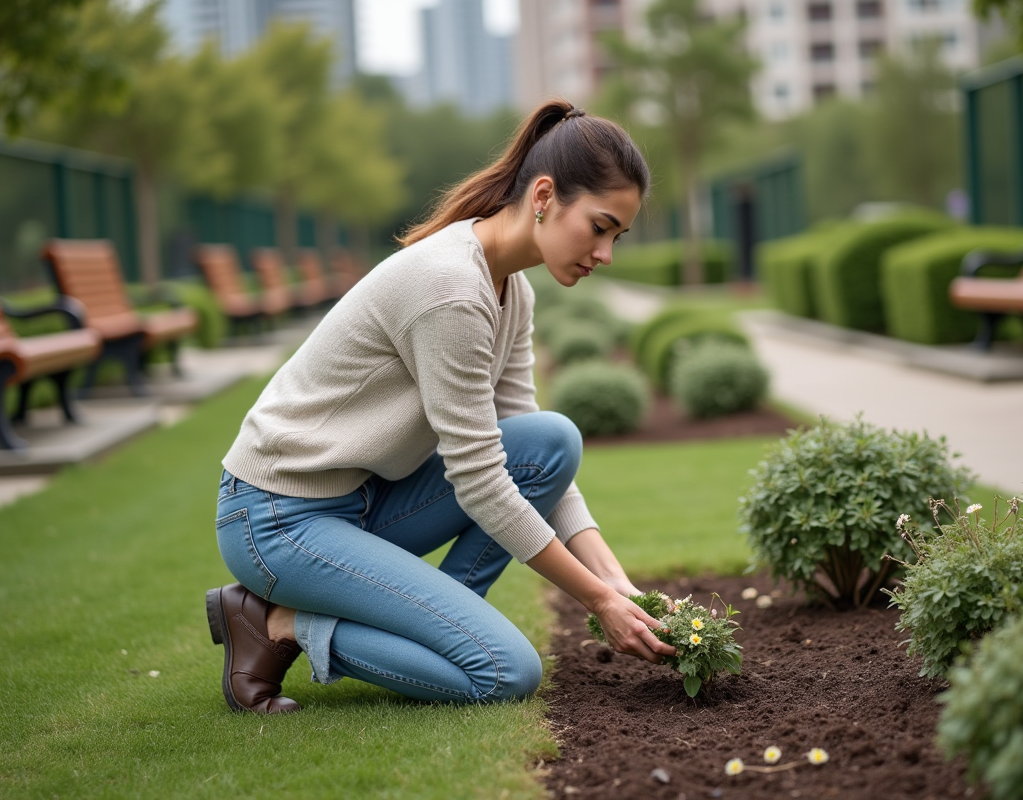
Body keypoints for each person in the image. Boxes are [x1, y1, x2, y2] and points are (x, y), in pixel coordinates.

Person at [204, 99, 677, 714]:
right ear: (543, 197)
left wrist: (617, 581)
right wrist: (598, 601)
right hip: (277, 521)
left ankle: (435, 634)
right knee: (504, 672)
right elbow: (481, 479)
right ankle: (281, 623)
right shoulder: (451, 290)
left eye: (618, 235)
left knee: (550, 441)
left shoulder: (515, 291)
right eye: (600, 226)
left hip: (364, 502)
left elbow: (524, 455)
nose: (606, 252)